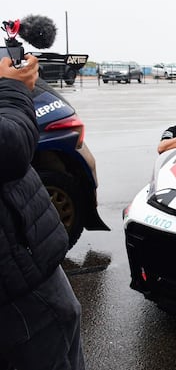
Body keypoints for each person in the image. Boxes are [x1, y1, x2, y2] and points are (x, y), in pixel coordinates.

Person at [0, 55, 86, 370]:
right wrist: (13, 89)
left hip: (22, 259)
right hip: (16, 276)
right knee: (56, 332)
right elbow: (9, 146)